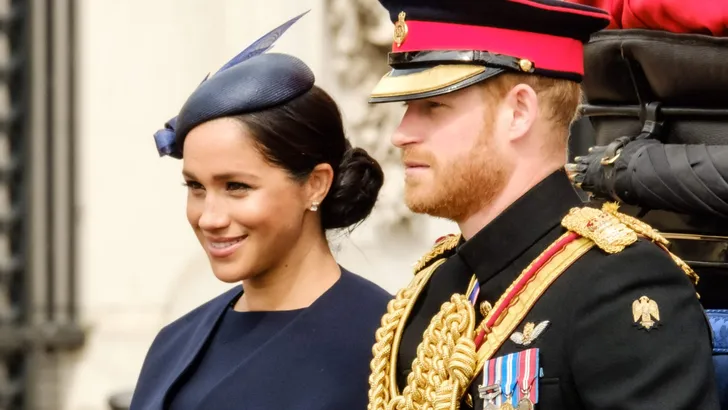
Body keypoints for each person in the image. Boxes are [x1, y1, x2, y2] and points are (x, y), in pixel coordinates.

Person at [364, 1, 720, 409]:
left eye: (433, 106)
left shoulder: (620, 287)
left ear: (518, 113)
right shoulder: (436, 286)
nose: (401, 134)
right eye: (407, 107)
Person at [128, 13, 391, 410]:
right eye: (196, 187)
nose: (209, 217)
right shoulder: (174, 344)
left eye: (237, 187)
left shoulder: (388, 345)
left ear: (315, 184)